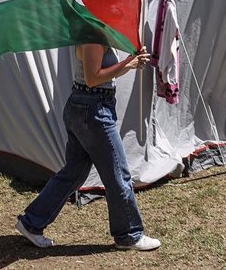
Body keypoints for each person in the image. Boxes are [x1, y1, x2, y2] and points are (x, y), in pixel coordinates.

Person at [15, 43, 161, 251]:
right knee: (118, 174)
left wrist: (132, 58)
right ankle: (129, 235)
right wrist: (129, 64)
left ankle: (31, 222)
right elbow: (93, 78)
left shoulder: (96, 29)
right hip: (94, 109)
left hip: (86, 106)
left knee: (73, 173)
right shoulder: (93, 34)